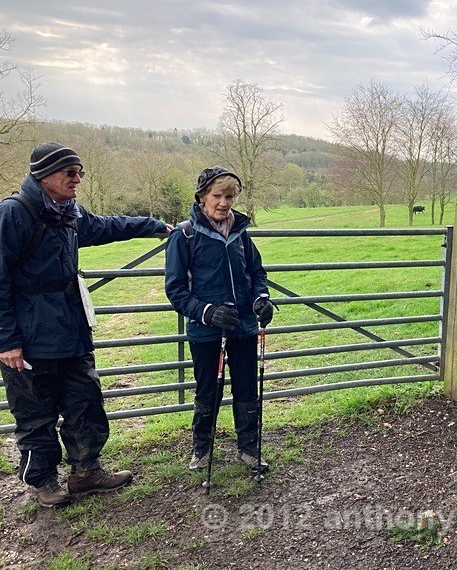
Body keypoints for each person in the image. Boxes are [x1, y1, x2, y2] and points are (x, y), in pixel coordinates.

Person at [0, 142, 172, 507]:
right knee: (35, 410)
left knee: (85, 400)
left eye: (80, 172)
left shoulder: (68, 213)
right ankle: (44, 481)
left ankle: (86, 471)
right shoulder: (14, 213)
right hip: (30, 335)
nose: (78, 179)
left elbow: (108, 226)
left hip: (70, 328)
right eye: (70, 172)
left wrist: (156, 225)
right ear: (44, 175)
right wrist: (6, 339)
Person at [165, 166, 274, 474]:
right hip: (206, 331)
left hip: (242, 327)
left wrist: (260, 299)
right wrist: (206, 311)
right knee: (208, 390)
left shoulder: (241, 234)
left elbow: (256, 273)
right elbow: (175, 289)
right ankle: (201, 449)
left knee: (246, 388)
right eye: (218, 195)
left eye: (230, 196)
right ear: (202, 197)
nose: (224, 203)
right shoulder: (184, 235)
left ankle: (249, 448)